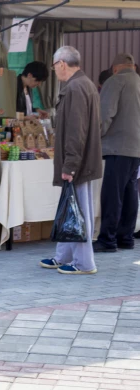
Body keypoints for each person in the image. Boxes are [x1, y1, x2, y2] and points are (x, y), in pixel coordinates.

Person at [40, 46, 102, 275]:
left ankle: (84, 263)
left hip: (79, 164)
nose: (54, 70)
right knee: (71, 208)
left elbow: (77, 131)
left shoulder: (76, 88)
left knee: (79, 211)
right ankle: (63, 255)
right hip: (83, 162)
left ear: (62, 64)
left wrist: (70, 166)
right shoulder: (83, 84)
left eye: (54, 66)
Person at [93, 53, 140, 252]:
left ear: (114, 68)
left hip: (118, 146)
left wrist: (94, 138)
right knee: (130, 193)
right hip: (136, 147)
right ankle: (126, 237)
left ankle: (107, 239)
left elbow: (104, 114)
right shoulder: (138, 82)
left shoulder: (115, 82)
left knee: (112, 194)